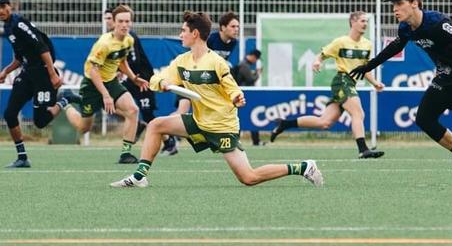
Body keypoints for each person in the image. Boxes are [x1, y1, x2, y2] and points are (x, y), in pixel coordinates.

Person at [110, 11, 323, 188]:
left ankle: (304, 167)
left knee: (249, 178)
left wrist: (236, 97)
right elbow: (158, 78)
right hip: (198, 120)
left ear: (194, 34)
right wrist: (162, 82)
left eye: (183, 31)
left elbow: (232, 89)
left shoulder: (216, 62)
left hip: (222, 126)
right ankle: (139, 177)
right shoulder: (181, 60)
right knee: (156, 125)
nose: (180, 34)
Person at [350, 0, 452, 185]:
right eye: (393, 5)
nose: (394, 9)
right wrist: (367, 66)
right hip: (445, 75)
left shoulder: (438, 23)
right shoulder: (406, 28)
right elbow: (395, 46)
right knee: (424, 119)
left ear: (415, 3)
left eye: (399, 3)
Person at [270, 11, 385, 159]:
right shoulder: (341, 42)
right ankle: (363, 149)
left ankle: (285, 124)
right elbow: (322, 55)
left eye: (366, 22)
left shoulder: (367, 44)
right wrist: (317, 61)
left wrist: (375, 83)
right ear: (353, 22)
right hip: (342, 81)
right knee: (358, 113)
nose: (365, 24)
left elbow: (365, 68)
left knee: (324, 122)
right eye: (362, 21)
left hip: (351, 83)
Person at [0, 0, 78, 168]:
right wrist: (6, 72)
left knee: (40, 122)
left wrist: (53, 74)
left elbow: (41, 46)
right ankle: (22, 157)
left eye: (3, 6)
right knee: (9, 114)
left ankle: (65, 99)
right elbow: (19, 57)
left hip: (43, 74)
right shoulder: (8, 27)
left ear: (10, 6)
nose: (1, 10)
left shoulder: (19, 23)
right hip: (28, 73)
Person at [60, 4, 149, 163]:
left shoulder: (129, 40)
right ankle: (67, 101)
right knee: (83, 128)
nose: (124, 25)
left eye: (127, 21)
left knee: (132, 110)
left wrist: (134, 78)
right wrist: (106, 96)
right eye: (120, 21)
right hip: (92, 84)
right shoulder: (104, 43)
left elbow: (121, 60)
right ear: (113, 23)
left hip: (111, 81)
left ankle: (125, 154)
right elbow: (94, 71)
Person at [161, 12, 241, 154]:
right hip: (191, 79)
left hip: (205, 85)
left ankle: (174, 134)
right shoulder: (211, 39)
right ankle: (170, 135)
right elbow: (196, 55)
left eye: (238, 27)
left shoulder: (233, 43)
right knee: (182, 110)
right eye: (233, 26)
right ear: (222, 28)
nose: (236, 29)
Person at [103, 7, 156, 141]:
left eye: (109, 18)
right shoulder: (108, 39)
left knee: (148, 114)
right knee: (109, 103)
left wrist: (120, 71)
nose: (107, 21)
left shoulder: (129, 37)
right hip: (130, 78)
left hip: (141, 78)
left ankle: (169, 142)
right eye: (106, 18)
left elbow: (134, 60)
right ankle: (135, 121)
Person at [233, 49, 265, 146]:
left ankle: (255, 140)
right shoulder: (244, 65)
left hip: (242, 95)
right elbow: (250, 80)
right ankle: (252, 141)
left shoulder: (243, 64)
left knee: (244, 117)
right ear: (253, 56)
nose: (256, 61)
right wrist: (258, 74)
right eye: (256, 59)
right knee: (245, 117)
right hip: (243, 94)